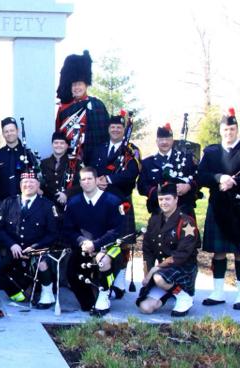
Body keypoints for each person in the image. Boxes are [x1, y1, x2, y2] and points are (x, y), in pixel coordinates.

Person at [197, 108, 240, 310]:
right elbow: (201, 176)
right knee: (218, 252)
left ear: (237, 129)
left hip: (239, 208)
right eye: (225, 129)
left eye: (232, 129)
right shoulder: (211, 152)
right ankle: (217, 292)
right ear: (220, 130)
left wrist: (235, 182)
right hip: (218, 206)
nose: (228, 132)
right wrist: (219, 178)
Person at [88, 111, 141, 298]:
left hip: (121, 200)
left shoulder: (131, 150)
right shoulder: (99, 149)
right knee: (105, 241)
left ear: (123, 129)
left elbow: (131, 173)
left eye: (119, 127)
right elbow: (91, 170)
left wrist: (109, 179)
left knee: (123, 243)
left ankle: (120, 281)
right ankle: (105, 279)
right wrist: (97, 181)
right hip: (101, 201)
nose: (116, 130)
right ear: (108, 129)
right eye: (113, 127)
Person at [60, 167, 125, 316]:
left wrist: (95, 244)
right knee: (71, 273)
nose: (86, 182)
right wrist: (83, 242)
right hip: (83, 246)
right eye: (83, 179)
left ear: (97, 180)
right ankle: (89, 301)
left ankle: (104, 295)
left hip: (109, 246)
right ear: (80, 183)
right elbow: (68, 229)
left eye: (90, 178)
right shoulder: (74, 203)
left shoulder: (112, 201)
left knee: (102, 262)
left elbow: (116, 231)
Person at [0, 169, 58, 306]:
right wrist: (11, 244)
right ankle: (22, 294)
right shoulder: (8, 203)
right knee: (3, 278)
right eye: (25, 182)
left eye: (32, 181)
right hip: (14, 250)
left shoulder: (47, 205)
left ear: (38, 185)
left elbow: (53, 233)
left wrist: (35, 247)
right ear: (20, 184)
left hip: (37, 250)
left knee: (42, 263)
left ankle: (47, 293)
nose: (28, 184)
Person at [136, 183, 200, 317]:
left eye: (167, 199)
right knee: (145, 307)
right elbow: (147, 249)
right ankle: (171, 291)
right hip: (164, 271)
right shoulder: (154, 220)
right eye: (161, 199)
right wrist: (147, 273)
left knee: (159, 278)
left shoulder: (186, 222)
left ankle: (184, 296)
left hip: (183, 268)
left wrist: (156, 269)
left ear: (176, 199)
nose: (163, 202)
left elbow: (182, 255)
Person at [55, 50, 110, 161]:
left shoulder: (97, 105)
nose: (77, 88)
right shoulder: (63, 108)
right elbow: (58, 132)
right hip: (68, 156)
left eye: (79, 84)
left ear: (86, 85)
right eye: (74, 85)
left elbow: (104, 135)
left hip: (92, 156)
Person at [137, 122, 198, 217]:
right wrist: (160, 193)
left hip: (184, 210)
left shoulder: (186, 158)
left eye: (167, 139)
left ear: (173, 141)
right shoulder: (147, 163)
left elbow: (198, 178)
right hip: (159, 211)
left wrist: (188, 186)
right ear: (156, 141)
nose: (164, 142)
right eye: (161, 139)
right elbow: (141, 186)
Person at [0, 117, 40, 203]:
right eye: (6, 131)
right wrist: (0, 186)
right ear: (3, 134)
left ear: (18, 130)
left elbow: (37, 175)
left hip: (25, 201)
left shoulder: (27, 154)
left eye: (12, 130)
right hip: (3, 201)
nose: (9, 133)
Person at [40, 132, 75, 214]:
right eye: (56, 142)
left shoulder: (74, 163)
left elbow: (81, 184)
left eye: (62, 143)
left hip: (69, 206)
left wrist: (67, 194)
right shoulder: (44, 163)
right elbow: (42, 183)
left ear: (67, 145)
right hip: (48, 207)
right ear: (52, 144)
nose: (58, 145)